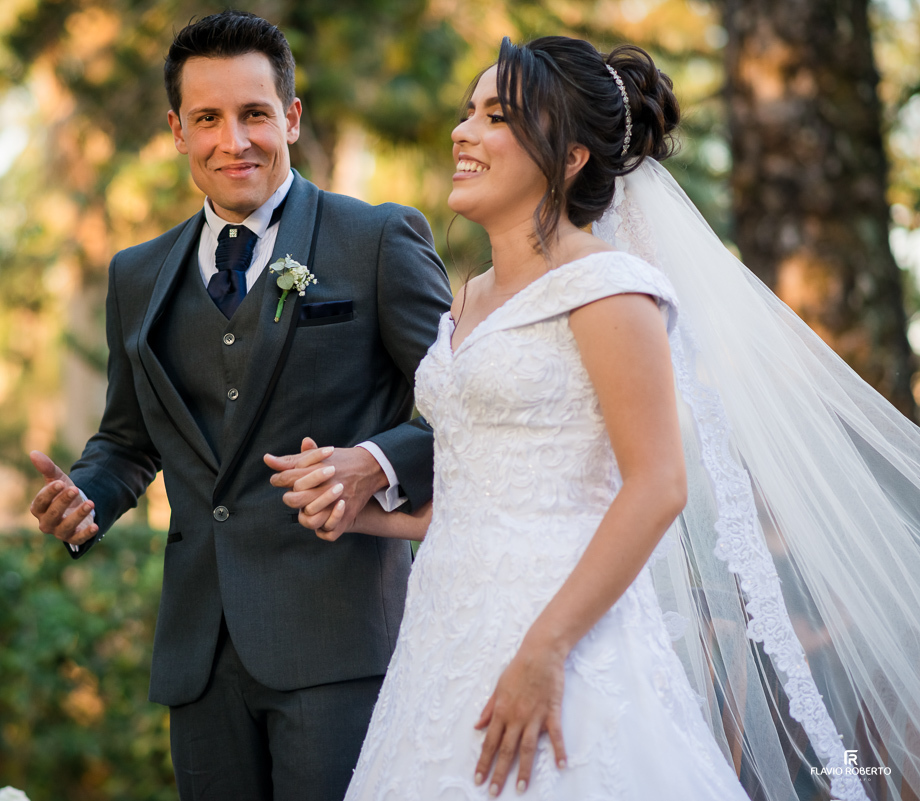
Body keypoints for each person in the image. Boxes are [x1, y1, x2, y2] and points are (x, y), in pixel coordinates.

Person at [274, 35, 920, 801]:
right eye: (467, 112)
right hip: (446, 634)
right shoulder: (471, 294)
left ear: (570, 156)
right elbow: (497, 496)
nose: (462, 132)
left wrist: (544, 652)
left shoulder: (608, 288)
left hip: (564, 635)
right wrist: (362, 514)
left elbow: (656, 486)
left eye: (495, 117)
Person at [26, 10, 450, 800]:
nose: (235, 140)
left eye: (255, 113)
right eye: (208, 119)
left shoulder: (379, 240)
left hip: (340, 641)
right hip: (199, 653)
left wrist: (376, 462)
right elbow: (128, 439)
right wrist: (86, 495)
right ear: (177, 130)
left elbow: (464, 412)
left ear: (290, 116)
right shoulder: (136, 274)